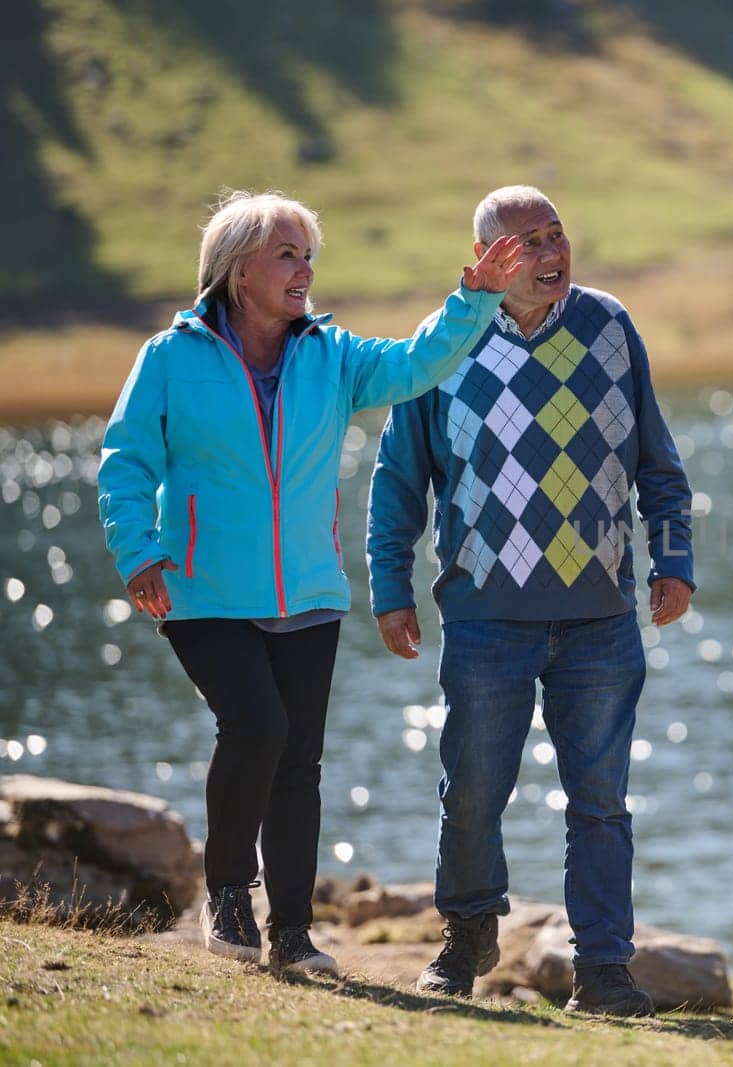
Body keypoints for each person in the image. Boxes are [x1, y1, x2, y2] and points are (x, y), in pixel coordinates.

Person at [98, 190, 523, 975]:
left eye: (308, 254)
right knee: (257, 726)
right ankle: (228, 889)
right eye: (287, 253)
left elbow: (415, 363)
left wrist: (476, 298)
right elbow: (127, 460)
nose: (305, 268)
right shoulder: (170, 356)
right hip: (201, 589)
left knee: (299, 762)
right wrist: (139, 550)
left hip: (309, 591)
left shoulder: (331, 355)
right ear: (237, 270)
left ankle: (291, 932)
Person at [366, 185, 694, 1014]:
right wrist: (390, 585)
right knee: (472, 790)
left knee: (601, 800)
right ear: (482, 262)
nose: (550, 255)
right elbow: (400, 479)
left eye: (556, 235)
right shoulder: (443, 346)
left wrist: (673, 557)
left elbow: (657, 457)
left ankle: (605, 970)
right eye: (525, 244)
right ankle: (469, 929)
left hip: (600, 617)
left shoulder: (610, 326)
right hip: (485, 617)